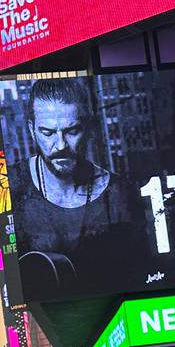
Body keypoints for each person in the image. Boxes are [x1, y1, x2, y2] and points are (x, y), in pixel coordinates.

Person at [10, 78, 134, 295]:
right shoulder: (10, 186)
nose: (60, 145)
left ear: (87, 128)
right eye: (47, 133)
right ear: (32, 130)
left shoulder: (119, 193)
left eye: (72, 131)